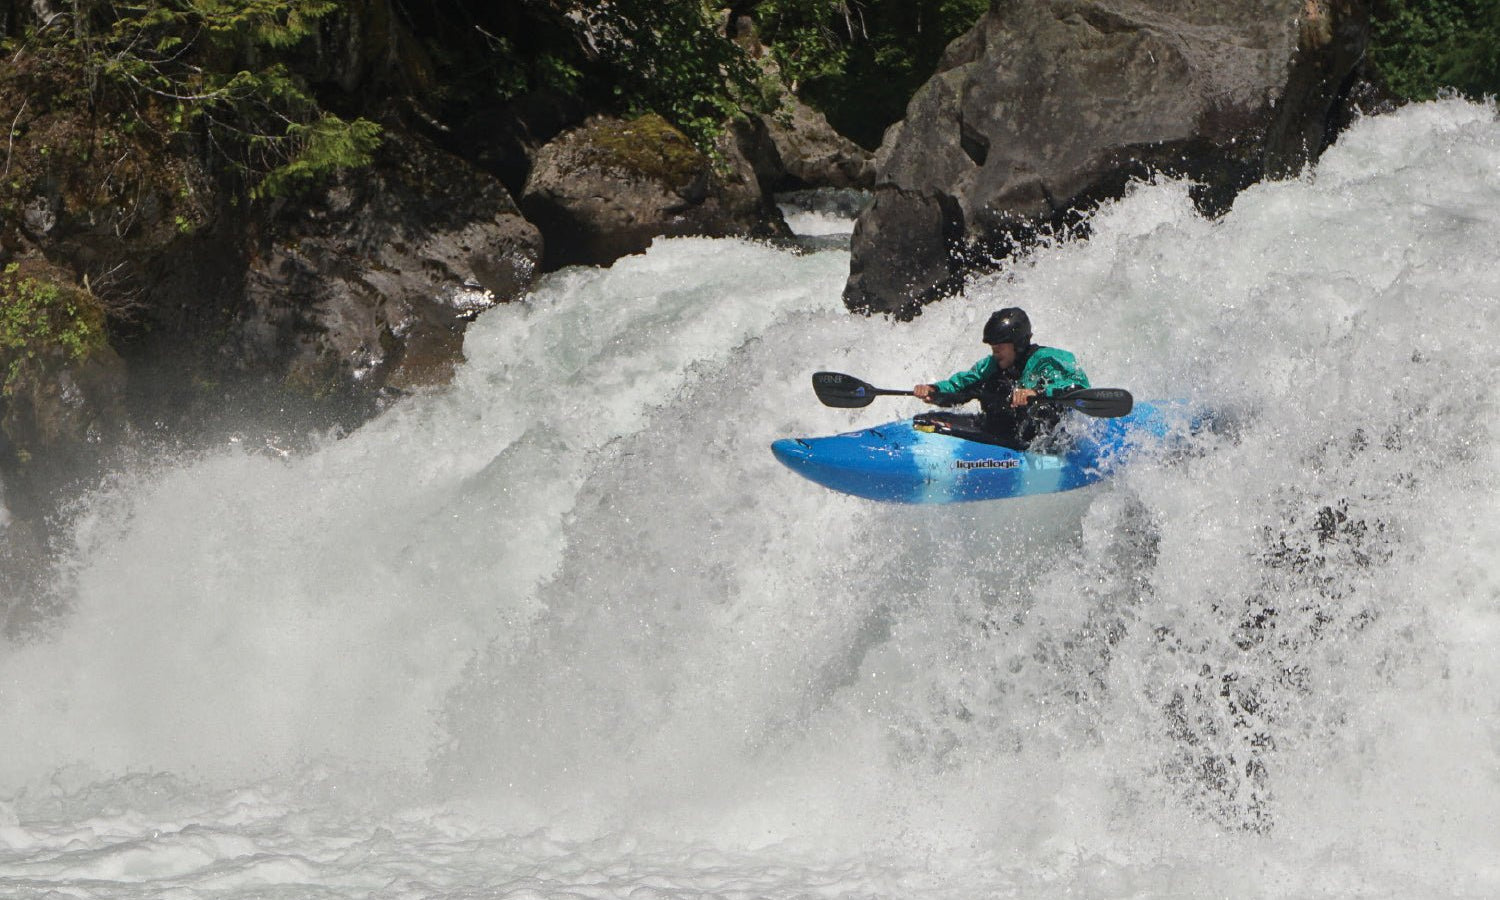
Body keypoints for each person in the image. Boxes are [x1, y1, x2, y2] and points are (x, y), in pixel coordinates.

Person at [912, 307, 1089, 450]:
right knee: (926, 420)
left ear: (1018, 344)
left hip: (1041, 441)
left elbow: (1077, 386)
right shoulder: (991, 366)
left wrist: (1036, 392)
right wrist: (935, 390)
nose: (995, 353)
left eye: (999, 348)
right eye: (993, 348)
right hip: (1002, 431)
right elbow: (962, 384)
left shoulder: (1046, 360)